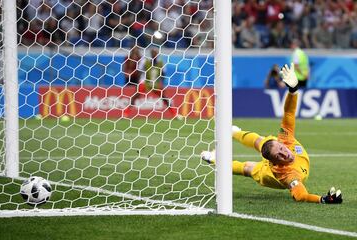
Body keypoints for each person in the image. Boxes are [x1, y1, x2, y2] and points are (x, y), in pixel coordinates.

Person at [201, 63, 342, 204]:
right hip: (267, 174)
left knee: (261, 141)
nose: (284, 153)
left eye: (281, 149)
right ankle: (213, 159)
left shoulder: (285, 140)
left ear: (281, 144)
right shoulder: (286, 173)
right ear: (274, 162)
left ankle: (233, 132)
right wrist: (323, 199)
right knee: (248, 168)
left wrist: (293, 90)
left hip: (272, 155)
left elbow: (289, 113)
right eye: (278, 156)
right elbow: (301, 196)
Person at [125, 48, 181, 119]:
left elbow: (162, 74)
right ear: (151, 54)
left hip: (155, 83)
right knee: (136, 96)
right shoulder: (145, 61)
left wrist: (161, 83)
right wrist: (138, 83)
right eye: (153, 53)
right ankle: (126, 113)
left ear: (157, 54)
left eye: (156, 53)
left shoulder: (160, 62)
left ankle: (174, 114)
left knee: (164, 97)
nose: (154, 54)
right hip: (145, 81)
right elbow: (139, 71)